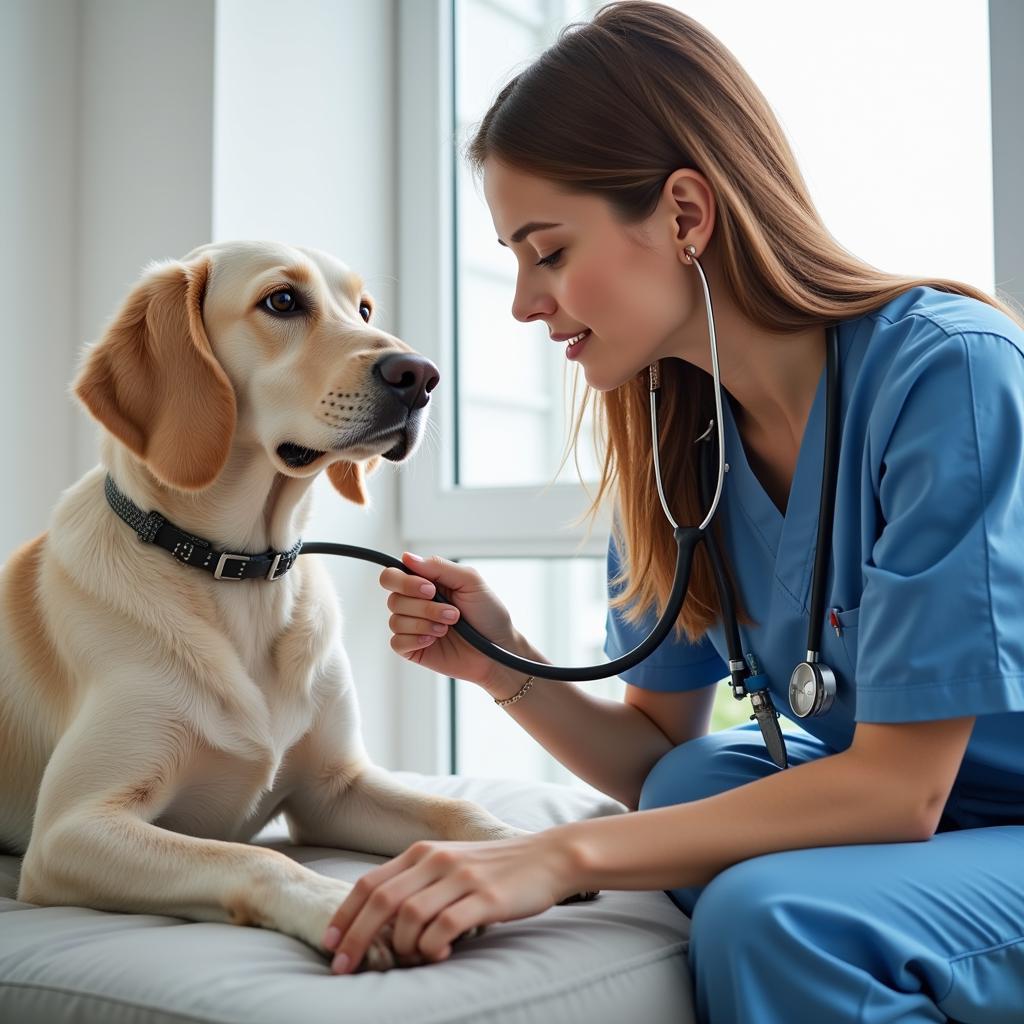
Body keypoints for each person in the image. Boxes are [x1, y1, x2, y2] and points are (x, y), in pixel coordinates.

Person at [322, 3, 1024, 1019]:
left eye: (547, 251)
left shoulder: (947, 375)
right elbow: (652, 756)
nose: (523, 301)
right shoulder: (674, 436)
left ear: (686, 215)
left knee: (769, 913)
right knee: (691, 782)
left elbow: (897, 790)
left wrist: (555, 857)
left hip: (957, 808)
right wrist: (502, 662)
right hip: (926, 813)